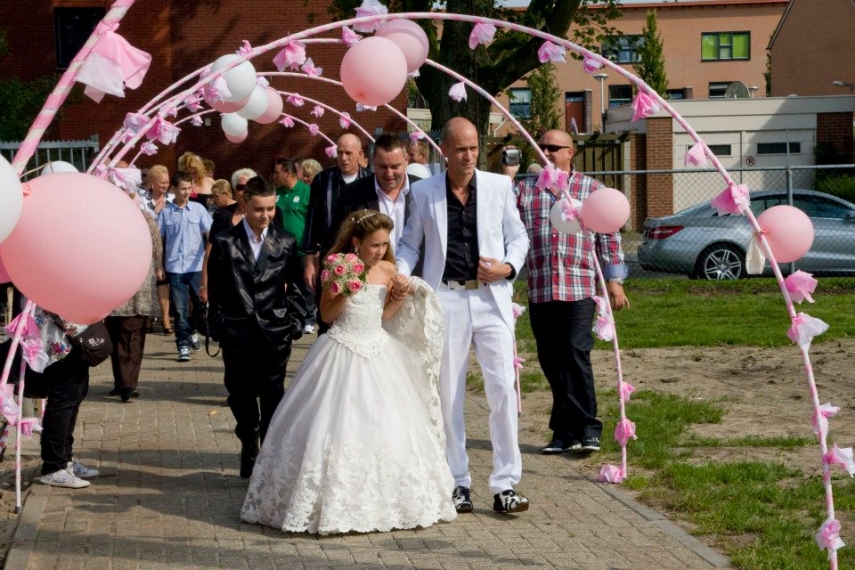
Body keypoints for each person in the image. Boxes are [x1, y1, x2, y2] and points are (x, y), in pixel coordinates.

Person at [241, 210, 455, 534]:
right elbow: (326, 314)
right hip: (341, 348)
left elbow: (383, 316)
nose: (380, 251)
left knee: (390, 425)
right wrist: (346, 289)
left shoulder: (388, 269)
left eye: (384, 244)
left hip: (378, 350)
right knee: (332, 424)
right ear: (356, 242)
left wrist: (396, 297)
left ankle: (386, 500)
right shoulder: (338, 265)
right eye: (373, 245)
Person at [396, 117, 531, 515]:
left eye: (473, 147)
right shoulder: (422, 193)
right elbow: (409, 244)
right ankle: (457, 482)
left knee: (503, 389)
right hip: (447, 299)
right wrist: (401, 276)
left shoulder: (499, 186)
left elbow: (519, 236)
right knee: (448, 392)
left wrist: (507, 267)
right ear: (444, 150)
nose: (469, 155)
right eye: (460, 149)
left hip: (491, 299)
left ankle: (506, 484)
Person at [512, 129, 630, 455]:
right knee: (551, 361)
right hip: (540, 288)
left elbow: (609, 237)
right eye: (542, 147)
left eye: (554, 147)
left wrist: (614, 282)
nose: (547, 152)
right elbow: (507, 233)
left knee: (575, 353)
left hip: (578, 288)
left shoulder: (591, 190)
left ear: (570, 152)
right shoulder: (523, 192)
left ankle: (587, 428)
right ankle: (563, 432)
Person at [207, 176, 305, 478]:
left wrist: (294, 322)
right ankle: (248, 442)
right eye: (259, 209)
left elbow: (297, 287)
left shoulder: (286, 241)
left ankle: (268, 453)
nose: (265, 215)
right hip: (237, 332)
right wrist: (220, 325)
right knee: (240, 395)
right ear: (245, 205)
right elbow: (217, 291)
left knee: (273, 394)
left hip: (275, 332)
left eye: (271, 209)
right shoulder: (225, 241)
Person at [302, 134, 372, 328]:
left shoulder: (370, 180)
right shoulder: (323, 181)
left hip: (363, 257)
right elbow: (312, 220)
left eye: (348, 153)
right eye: (340, 152)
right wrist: (309, 262)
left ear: (359, 154)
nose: (343, 158)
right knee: (327, 314)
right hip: (331, 255)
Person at [34, 308, 101, 488]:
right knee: (62, 402)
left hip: (72, 338)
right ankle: (54, 467)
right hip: (57, 340)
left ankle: (65, 459)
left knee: (75, 397)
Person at [332, 134, 422, 260]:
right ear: (373, 161)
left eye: (395, 166)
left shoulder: (423, 191)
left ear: (406, 160)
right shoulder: (352, 194)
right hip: (369, 276)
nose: (389, 173)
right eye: (383, 167)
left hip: (415, 276)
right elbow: (339, 241)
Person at [106, 209, 162, 401]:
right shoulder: (106, 214)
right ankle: (122, 382)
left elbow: (156, 245)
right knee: (118, 337)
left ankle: (127, 384)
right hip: (113, 285)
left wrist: (159, 266)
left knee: (130, 335)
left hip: (137, 286)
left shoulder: (143, 216)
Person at [158, 171, 212, 362]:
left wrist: (209, 260)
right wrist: (160, 265)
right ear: (174, 189)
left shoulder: (198, 210)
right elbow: (160, 241)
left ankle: (192, 329)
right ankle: (182, 344)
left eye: (189, 188)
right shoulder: (166, 212)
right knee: (180, 308)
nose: (187, 192)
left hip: (196, 266)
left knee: (200, 304)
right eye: (183, 188)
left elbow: (211, 235)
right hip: (175, 268)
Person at [272, 157, 316, 334]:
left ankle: (309, 318)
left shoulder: (307, 192)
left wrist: (314, 247)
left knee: (306, 283)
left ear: (287, 172)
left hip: (303, 248)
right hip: (281, 249)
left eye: (277, 172)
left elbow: (313, 220)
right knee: (286, 284)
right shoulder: (277, 193)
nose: (273, 175)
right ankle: (291, 316)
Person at [139, 164, 173, 334]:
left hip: (167, 244)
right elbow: (141, 218)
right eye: (161, 182)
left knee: (162, 280)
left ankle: (165, 319)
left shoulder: (172, 198)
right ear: (152, 182)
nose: (165, 186)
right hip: (146, 245)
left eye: (167, 182)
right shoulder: (141, 198)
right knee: (147, 282)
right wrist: (156, 210)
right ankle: (147, 318)